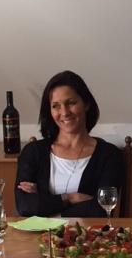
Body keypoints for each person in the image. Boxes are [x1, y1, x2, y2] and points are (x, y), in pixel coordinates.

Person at [15, 71, 124, 218]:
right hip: (39, 233)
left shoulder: (109, 155)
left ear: (86, 104)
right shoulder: (33, 152)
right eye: (56, 106)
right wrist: (71, 198)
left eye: (71, 103)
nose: (65, 112)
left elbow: (101, 210)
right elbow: (25, 206)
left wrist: (44, 201)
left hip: (85, 233)